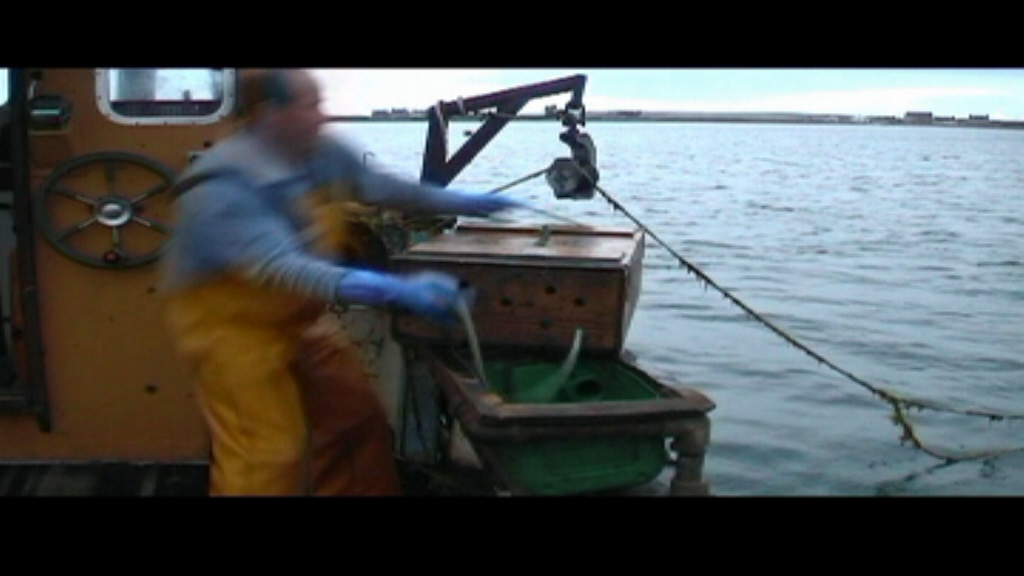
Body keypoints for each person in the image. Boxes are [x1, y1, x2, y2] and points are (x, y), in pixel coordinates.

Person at [160, 68, 520, 496]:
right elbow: (286, 268)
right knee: (268, 453)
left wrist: (465, 202)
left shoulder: (320, 151)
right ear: (269, 114)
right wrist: (396, 290)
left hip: (300, 320)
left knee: (354, 419)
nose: (322, 116)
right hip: (230, 332)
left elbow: (378, 186)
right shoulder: (224, 186)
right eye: (310, 106)